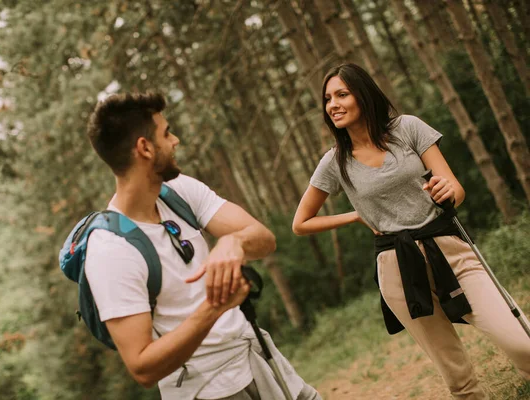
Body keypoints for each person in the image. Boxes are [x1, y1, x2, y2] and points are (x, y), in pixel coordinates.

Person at [292, 63, 530, 399]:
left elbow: (456, 190)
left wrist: (447, 191)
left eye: (342, 94)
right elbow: (301, 223)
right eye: (327, 98)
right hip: (397, 268)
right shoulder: (334, 162)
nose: (332, 104)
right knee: (457, 378)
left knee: (521, 341)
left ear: (364, 95)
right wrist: (356, 216)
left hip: (450, 249)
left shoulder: (408, 128)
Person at [84, 92, 321, 400]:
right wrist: (216, 306)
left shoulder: (178, 191)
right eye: (166, 133)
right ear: (144, 148)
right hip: (207, 390)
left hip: (259, 359)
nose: (176, 140)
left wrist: (233, 241)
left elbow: (265, 240)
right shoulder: (110, 250)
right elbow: (142, 368)